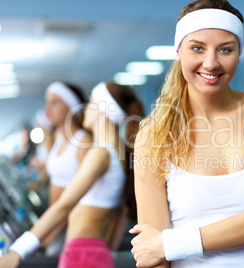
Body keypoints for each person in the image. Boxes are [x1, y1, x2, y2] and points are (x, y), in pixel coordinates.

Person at [129, 0, 244, 267]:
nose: (211, 63)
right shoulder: (153, 135)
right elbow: (152, 251)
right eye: (197, 48)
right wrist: (161, 247)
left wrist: (170, 244)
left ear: (239, 54)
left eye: (225, 50)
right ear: (178, 52)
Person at [0, 81, 142, 268]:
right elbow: (121, 212)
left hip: (82, 254)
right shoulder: (117, 153)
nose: (85, 109)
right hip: (91, 253)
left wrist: (18, 250)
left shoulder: (101, 153)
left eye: (90, 103)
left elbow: (64, 206)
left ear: (102, 110)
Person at [41, 81, 92, 255]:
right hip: (53, 222)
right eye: (47, 102)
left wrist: (50, 234)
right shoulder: (57, 137)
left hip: (68, 226)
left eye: (55, 102)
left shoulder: (83, 141)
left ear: (71, 107)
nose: (48, 108)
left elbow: (80, 197)